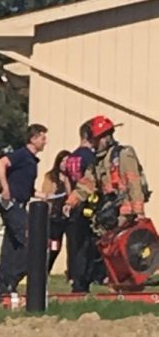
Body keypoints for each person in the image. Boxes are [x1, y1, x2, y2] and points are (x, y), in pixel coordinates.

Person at [64, 115, 149, 238]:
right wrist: (70, 203)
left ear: (104, 138)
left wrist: (139, 213)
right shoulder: (97, 162)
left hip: (127, 216)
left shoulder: (123, 154)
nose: (93, 145)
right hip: (110, 216)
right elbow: (86, 184)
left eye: (95, 140)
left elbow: (134, 183)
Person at [0, 124, 49, 301]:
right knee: (30, 242)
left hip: (21, 202)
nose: (45, 141)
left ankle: (2, 290)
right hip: (13, 205)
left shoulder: (32, 162)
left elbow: (26, 188)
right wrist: (5, 187)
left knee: (12, 246)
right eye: (42, 137)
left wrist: (43, 195)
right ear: (32, 139)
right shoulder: (22, 155)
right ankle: (12, 279)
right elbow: (0, 163)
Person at [64, 121, 100, 292]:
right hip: (88, 205)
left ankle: (75, 279)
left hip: (74, 205)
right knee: (87, 246)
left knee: (74, 245)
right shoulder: (89, 157)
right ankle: (84, 282)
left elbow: (67, 182)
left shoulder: (72, 157)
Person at [41, 149, 72, 273]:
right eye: (63, 161)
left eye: (67, 161)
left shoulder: (70, 178)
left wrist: (67, 181)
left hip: (65, 216)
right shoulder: (50, 176)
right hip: (53, 215)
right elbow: (47, 194)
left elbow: (71, 195)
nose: (65, 164)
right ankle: (45, 269)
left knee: (64, 246)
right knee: (54, 245)